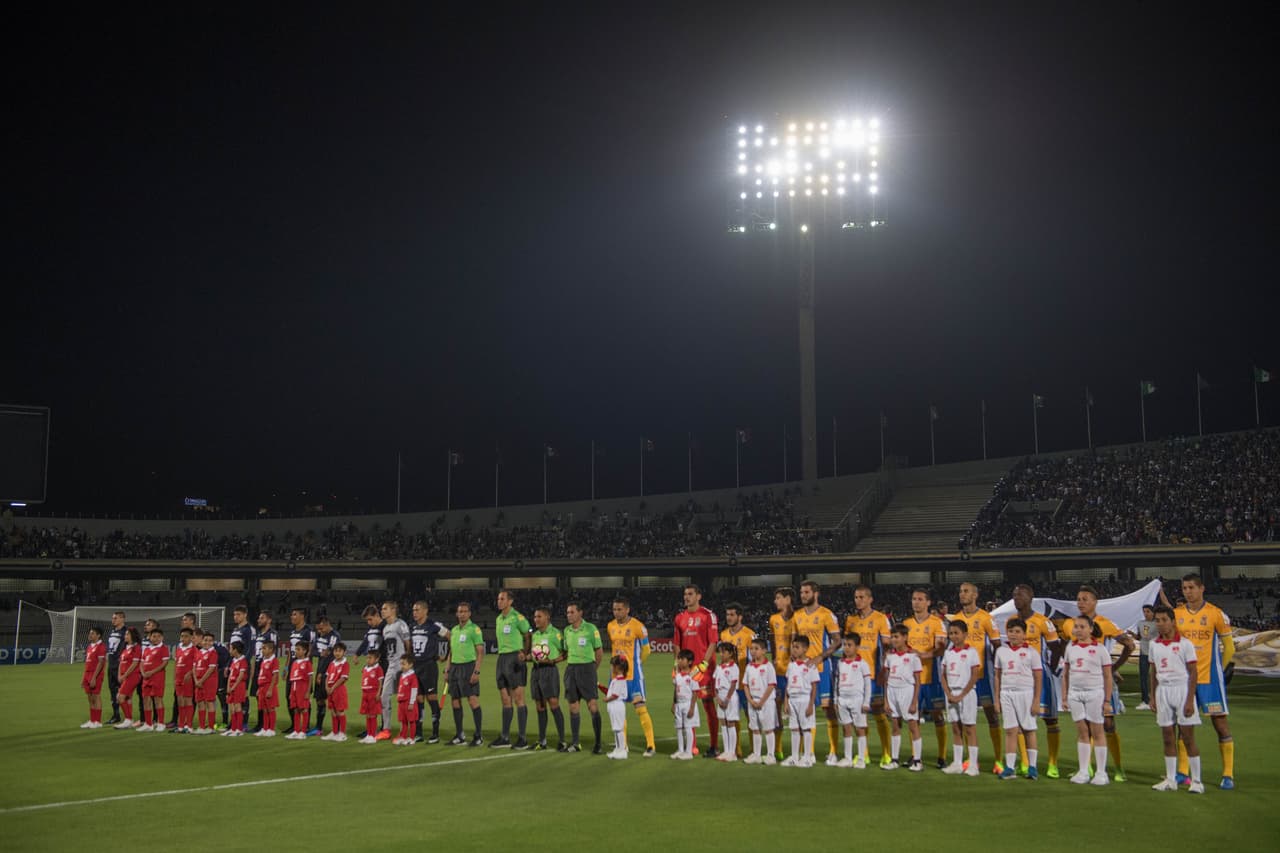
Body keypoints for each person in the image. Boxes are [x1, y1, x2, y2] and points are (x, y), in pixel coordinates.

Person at [1060, 585, 1135, 781]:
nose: (1081, 603)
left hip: (1101, 683)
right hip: (1080, 684)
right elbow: (1068, 651)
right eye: (1078, 599)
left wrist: (1113, 667)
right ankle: (1087, 769)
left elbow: (1129, 645)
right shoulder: (1070, 624)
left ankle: (1117, 768)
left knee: (1107, 724)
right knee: (1084, 726)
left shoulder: (1106, 623)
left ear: (1095, 602)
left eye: (1085, 599)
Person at [1172, 573, 1235, 789]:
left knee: (1220, 724)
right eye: (1184, 588)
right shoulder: (1176, 614)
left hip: (1209, 679)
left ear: (1201, 589)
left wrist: (1222, 670)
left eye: (1191, 587)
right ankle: (1182, 772)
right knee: (1185, 725)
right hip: (1184, 679)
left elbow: (1230, 647)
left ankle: (1228, 774)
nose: (1187, 591)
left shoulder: (1216, 613)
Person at [1149, 604, 1204, 793]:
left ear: (1172, 621)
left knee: (1188, 738)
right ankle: (1170, 779)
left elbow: (1193, 673)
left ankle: (1197, 781)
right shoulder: (1154, 644)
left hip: (1181, 690)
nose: (1161, 624)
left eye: (1164, 620)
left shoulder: (1185, 644)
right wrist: (1152, 696)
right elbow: (1153, 670)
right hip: (1163, 691)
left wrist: (1190, 700)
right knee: (1167, 737)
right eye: (1157, 620)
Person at [1010, 583, 1063, 777]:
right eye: (1015, 595)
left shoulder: (1042, 621)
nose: (1017, 598)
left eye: (1021, 595)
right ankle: (1024, 762)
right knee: (1019, 721)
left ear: (1030, 598)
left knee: (1050, 719)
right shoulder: (1011, 621)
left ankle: (1052, 763)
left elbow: (1056, 647)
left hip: (1039, 675)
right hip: (1018, 677)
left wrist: (1049, 667)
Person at [952, 582, 1004, 772]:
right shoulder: (956, 618)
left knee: (992, 717)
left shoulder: (986, 618)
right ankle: (970, 758)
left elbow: (998, 645)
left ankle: (998, 760)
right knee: (965, 720)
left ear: (975, 595)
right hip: (963, 678)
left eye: (965, 591)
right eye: (960, 591)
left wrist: (1000, 671)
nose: (962, 594)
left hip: (982, 676)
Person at [792, 580, 842, 764]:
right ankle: (809, 753)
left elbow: (837, 640)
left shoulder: (827, 614)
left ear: (815, 593)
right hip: (803, 671)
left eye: (806, 592)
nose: (803, 595)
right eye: (801, 592)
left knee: (828, 710)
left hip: (821, 668)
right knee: (807, 710)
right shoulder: (797, 615)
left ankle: (833, 752)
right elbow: (794, 640)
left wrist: (820, 657)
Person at [844, 584, 894, 767]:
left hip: (873, 673)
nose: (858, 600)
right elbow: (847, 647)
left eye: (862, 597)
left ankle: (886, 753)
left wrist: (884, 670)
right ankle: (862, 754)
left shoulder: (880, 619)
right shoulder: (850, 621)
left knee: (879, 713)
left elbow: (887, 647)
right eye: (856, 597)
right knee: (859, 715)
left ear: (870, 599)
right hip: (854, 676)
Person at [1063, 614, 1112, 785]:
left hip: (1094, 693)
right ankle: (1083, 770)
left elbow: (1107, 676)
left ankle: (1101, 772)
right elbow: (1066, 674)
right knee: (1082, 732)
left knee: (1097, 732)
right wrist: (1064, 696)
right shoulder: (1070, 647)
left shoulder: (1100, 649)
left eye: (1082, 626)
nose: (1078, 630)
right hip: (1075, 694)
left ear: (1091, 629)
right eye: (1076, 626)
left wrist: (1107, 700)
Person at [993, 617, 1043, 781]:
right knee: (1010, 730)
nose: (1013, 635)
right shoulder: (1001, 651)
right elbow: (998, 676)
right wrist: (997, 699)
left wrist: (1036, 700)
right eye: (1010, 631)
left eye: (1017, 632)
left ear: (1024, 634)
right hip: (1006, 693)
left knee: (1029, 730)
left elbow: (1038, 678)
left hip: (1025, 693)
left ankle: (1032, 767)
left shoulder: (1031, 652)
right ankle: (1009, 767)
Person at [902, 589, 948, 768]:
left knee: (937, 716)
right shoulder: (906, 624)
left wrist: (923, 655)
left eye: (920, 599)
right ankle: (915, 755)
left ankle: (942, 756)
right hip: (912, 680)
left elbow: (941, 648)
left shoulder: (937, 623)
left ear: (928, 602)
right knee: (913, 718)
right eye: (914, 599)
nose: (916, 602)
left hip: (932, 677)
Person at [607, 596, 657, 757]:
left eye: (619, 609)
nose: (616, 612)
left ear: (627, 609)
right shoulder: (610, 626)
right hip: (616, 678)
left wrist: (636, 665)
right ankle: (623, 745)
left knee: (640, 708)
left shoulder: (638, 626)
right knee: (618, 711)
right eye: (614, 609)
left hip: (634, 677)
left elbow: (647, 650)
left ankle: (651, 746)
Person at [674, 584, 719, 757]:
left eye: (690, 594)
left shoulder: (708, 615)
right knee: (684, 705)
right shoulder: (679, 618)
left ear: (698, 596)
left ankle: (714, 746)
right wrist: (678, 666)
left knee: (708, 706)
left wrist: (704, 664)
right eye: (685, 594)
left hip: (703, 669)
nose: (687, 597)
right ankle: (689, 747)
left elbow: (713, 642)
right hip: (686, 671)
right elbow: (677, 644)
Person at [940, 620, 982, 777]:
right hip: (951, 694)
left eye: (956, 633)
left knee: (969, 728)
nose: (953, 636)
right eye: (951, 633)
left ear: (965, 634)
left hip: (967, 694)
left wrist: (962, 694)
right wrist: (949, 694)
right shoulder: (948, 653)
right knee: (955, 728)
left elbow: (975, 675)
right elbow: (943, 675)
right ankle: (957, 763)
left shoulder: (971, 652)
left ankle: (973, 764)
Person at [492, 589, 532, 749]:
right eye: (498, 598)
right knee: (505, 699)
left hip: (515, 658)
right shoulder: (498, 619)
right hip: (502, 658)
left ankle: (522, 738)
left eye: (502, 599)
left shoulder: (518, 617)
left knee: (518, 699)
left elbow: (529, 633)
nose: (499, 601)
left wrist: (525, 652)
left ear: (510, 601)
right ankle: (505, 737)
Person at [562, 600, 604, 754]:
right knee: (573, 706)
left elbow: (599, 652)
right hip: (571, 669)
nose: (569, 615)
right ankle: (575, 743)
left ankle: (598, 743)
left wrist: (593, 670)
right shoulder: (566, 631)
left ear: (580, 613)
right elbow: (565, 651)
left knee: (592, 706)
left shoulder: (591, 629)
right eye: (567, 612)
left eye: (572, 612)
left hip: (587, 669)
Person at [883, 624, 923, 771]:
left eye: (896, 637)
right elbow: (886, 680)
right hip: (892, 691)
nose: (893, 640)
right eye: (892, 637)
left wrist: (914, 701)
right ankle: (894, 759)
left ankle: (917, 760)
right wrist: (886, 700)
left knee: (913, 725)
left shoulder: (913, 656)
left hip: (907, 691)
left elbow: (918, 681)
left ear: (905, 637)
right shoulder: (890, 656)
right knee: (895, 726)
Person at [445, 601, 485, 746]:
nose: (461, 614)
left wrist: (476, 671)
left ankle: (478, 736)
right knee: (455, 700)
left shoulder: (474, 629)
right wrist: (447, 669)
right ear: (457, 613)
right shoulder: (454, 630)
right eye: (459, 611)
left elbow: (480, 652)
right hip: (454, 668)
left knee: (472, 700)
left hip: (468, 667)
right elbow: (451, 651)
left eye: (464, 611)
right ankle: (459, 735)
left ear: (469, 613)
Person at [409, 600, 449, 743]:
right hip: (415, 667)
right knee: (418, 699)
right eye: (413, 610)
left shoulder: (434, 625)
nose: (415, 612)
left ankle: (435, 734)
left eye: (417, 610)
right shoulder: (412, 626)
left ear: (425, 611)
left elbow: (450, 636)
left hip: (429, 666)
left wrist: (447, 655)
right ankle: (419, 733)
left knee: (432, 698)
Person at [529, 606, 568, 751]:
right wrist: (525, 657)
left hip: (549, 671)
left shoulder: (555, 634)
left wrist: (552, 661)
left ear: (547, 618)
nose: (536, 620)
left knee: (553, 704)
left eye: (539, 616)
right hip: (536, 671)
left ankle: (562, 740)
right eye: (534, 617)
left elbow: (565, 653)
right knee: (539, 706)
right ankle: (542, 741)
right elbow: (534, 654)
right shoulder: (535, 635)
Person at [835, 632, 873, 768]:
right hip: (843, 699)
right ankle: (847, 757)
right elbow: (837, 681)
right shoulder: (840, 663)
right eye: (845, 645)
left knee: (860, 728)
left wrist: (866, 701)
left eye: (849, 645)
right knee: (846, 728)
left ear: (857, 646)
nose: (846, 648)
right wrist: (836, 699)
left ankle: (862, 758)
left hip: (857, 699)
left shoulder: (862, 664)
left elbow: (868, 684)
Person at [375, 601, 411, 742]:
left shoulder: (400, 624)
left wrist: (408, 663)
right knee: (384, 697)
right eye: (382, 609)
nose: (382, 611)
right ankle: (386, 729)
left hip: (402, 666)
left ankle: (406, 730)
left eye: (385, 609)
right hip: (391, 666)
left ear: (393, 610)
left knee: (404, 699)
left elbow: (408, 643)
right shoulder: (385, 629)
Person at [782, 635, 820, 767]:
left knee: (806, 729)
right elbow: (788, 684)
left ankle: (807, 757)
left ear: (805, 649)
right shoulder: (791, 665)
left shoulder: (810, 665)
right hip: (792, 699)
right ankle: (794, 757)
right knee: (794, 729)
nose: (794, 650)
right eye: (793, 647)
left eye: (797, 647)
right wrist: (786, 702)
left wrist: (811, 704)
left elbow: (814, 685)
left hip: (804, 699)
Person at [768, 587, 795, 760]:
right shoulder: (773, 619)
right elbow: (772, 641)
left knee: (795, 711)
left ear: (788, 599)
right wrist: (774, 660)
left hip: (793, 671)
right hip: (778, 670)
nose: (775, 601)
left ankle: (800, 752)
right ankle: (777, 749)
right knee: (776, 710)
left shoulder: (798, 618)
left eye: (778, 598)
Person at [281, 609, 317, 736]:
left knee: (305, 700)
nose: (292, 616)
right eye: (291, 614)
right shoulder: (292, 632)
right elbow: (290, 653)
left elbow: (310, 650)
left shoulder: (309, 631)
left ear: (302, 616)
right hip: (292, 668)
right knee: (290, 697)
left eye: (294, 614)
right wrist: (286, 669)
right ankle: (294, 726)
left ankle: (305, 727)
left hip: (303, 670)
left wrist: (306, 666)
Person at [743, 637, 778, 765]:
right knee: (755, 729)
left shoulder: (768, 667)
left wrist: (762, 701)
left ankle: (770, 755)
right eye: (751, 648)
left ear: (764, 650)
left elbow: (771, 685)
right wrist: (750, 700)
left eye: (756, 649)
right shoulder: (749, 667)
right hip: (752, 701)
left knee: (768, 728)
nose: (753, 651)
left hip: (766, 702)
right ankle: (756, 754)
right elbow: (745, 685)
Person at [313, 615, 341, 737]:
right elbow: (314, 651)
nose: (320, 631)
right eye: (318, 629)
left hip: (330, 672)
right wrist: (321, 653)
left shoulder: (334, 636)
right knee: (319, 700)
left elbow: (330, 655)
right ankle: (318, 728)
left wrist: (322, 673)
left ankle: (337, 730)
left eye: (321, 628)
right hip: (320, 670)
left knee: (333, 702)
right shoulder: (320, 636)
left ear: (326, 624)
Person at [712, 641, 741, 762]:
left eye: (724, 651)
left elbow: (733, 684)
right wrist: (717, 698)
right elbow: (714, 683)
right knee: (723, 724)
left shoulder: (734, 667)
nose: (721, 654)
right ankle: (726, 750)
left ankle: (732, 752)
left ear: (730, 654)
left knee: (730, 723)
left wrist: (727, 699)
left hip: (730, 697)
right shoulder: (719, 667)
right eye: (720, 651)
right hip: (720, 696)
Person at [250, 611, 278, 733]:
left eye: (262, 618)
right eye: (259, 618)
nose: (259, 620)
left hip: (266, 667)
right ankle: (262, 724)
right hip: (258, 666)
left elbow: (273, 650)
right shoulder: (258, 634)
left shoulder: (272, 634)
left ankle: (265, 726)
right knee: (259, 697)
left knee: (266, 700)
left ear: (269, 620)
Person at [671, 649, 700, 760]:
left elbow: (695, 692)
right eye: (679, 659)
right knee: (678, 727)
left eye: (682, 659)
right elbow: (675, 689)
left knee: (688, 727)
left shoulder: (693, 676)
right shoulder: (677, 675)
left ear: (689, 662)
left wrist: (692, 708)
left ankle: (688, 752)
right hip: (679, 704)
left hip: (688, 704)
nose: (679, 661)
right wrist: (674, 703)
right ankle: (680, 750)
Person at [139, 627, 169, 732]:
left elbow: (164, 663)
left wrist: (152, 672)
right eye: (153, 636)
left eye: (158, 636)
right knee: (146, 700)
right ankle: (148, 724)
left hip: (157, 678)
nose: (155, 638)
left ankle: (161, 723)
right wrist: (143, 673)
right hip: (146, 678)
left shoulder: (163, 648)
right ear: (150, 637)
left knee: (157, 700)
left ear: (162, 638)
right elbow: (142, 662)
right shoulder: (146, 649)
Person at [114, 627, 142, 729]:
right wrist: (119, 675)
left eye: (127, 634)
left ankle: (128, 719)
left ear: (132, 636)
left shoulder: (137, 648)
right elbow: (121, 662)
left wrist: (124, 675)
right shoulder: (126, 648)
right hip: (124, 677)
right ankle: (129, 720)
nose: (125, 636)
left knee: (119, 697)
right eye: (125, 634)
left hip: (133, 676)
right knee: (128, 698)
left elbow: (134, 664)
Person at [322, 641, 350, 741]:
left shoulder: (345, 664)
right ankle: (334, 732)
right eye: (335, 651)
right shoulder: (332, 664)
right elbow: (327, 676)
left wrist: (332, 688)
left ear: (344, 652)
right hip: (330, 690)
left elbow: (343, 678)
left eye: (340, 651)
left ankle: (342, 733)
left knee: (340, 711)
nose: (337, 653)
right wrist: (326, 687)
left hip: (338, 690)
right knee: (333, 712)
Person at [172, 627, 199, 734]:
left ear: (191, 638)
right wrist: (174, 678)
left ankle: (189, 725)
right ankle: (181, 725)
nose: (183, 638)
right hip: (178, 679)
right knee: (180, 702)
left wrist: (190, 674)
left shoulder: (194, 650)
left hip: (187, 679)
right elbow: (176, 664)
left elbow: (196, 665)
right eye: (182, 636)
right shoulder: (179, 649)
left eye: (186, 636)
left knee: (188, 701)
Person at [193, 630, 220, 734]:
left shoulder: (213, 653)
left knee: (209, 702)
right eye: (205, 640)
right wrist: (196, 680)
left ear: (213, 642)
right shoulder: (199, 652)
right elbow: (194, 667)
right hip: (198, 681)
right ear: (202, 641)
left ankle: (211, 728)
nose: (207, 642)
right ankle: (201, 726)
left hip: (209, 681)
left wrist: (201, 680)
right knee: (200, 703)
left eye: (210, 640)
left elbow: (211, 669)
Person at [80, 626, 107, 729]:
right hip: (88, 674)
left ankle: (98, 721)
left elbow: (101, 663)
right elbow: (87, 664)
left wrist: (94, 677)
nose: (90, 635)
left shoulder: (101, 647)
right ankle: (92, 720)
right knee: (90, 698)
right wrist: (84, 678)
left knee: (96, 696)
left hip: (96, 674)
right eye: (90, 633)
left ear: (98, 635)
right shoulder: (90, 646)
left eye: (92, 633)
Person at [604, 655, 630, 759]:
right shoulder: (616, 680)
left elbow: (615, 695)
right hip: (614, 706)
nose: (611, 668)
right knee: (616, 728)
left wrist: (607, 699)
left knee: (618, 729)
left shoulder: (619, 680)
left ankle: (622, 750)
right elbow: (610, 692)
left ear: (617, 667)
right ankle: (617, 748)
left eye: (612, 666)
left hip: (617, 705)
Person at [286, 641, 314, 740]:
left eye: (298, 649)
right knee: (296, 709)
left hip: (303, 687)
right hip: (294, 687)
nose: (296, 651)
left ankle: (303, 731)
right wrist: (290, 692)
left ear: (305, 651)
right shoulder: (294, 662)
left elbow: (310, 677)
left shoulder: (307, 662)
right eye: (296, 649)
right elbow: (293, 678)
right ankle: (296, 730)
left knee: (304, 709)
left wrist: (308, 691)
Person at [1133, 605, 1157, 710]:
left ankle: (1157, 698)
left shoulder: (1157, 623)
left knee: (1157, 677)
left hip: (1155, 652)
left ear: (1153, 612)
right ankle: (1145, 700)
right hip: (1143, 652)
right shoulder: (1140, 623)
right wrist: (1134, 636)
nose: (1146, 613)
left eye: (1148, 611)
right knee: (1143, 677)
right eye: (1144, 611)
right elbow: (1140, 636)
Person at [254, 639, 280, 737]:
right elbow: (261, 675)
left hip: (269, 687)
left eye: (264, 648)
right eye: (262, 648)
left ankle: (271, 729)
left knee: (270, 709)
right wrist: (258, 688)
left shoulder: (274, 660)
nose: (262, 650)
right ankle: (265, 728)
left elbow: (275, 675)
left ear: (271, 649)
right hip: (262, 687)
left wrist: (270, 689)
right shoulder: (264, 661)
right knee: (264, 709)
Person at [105, 610, 127, 724]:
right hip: (111, 665)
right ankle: (116, 715)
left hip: (121, 667)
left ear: (122, 619)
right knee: (113, 692)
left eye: (116, 618)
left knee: (124, 692)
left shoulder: (126, 632)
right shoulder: (112, 631)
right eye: (113, 618)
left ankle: (128, 717)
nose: (113, 620)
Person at [358, 651, 385, 744]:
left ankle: (373, 736)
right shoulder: (365, 668)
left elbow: (380, 682)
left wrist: (378, 693)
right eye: (367, 658)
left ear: (376, 659)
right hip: (365, 693)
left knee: (373, 715)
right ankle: (368, 735)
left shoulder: (378, 669)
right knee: (368, 715)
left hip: (373, 693)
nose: (368, 660)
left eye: (370, 658)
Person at [223, 640, 249, 737]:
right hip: (232, 686)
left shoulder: (243, 661)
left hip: (239, 686)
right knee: (232, 708)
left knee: (237, 707)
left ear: (236, 650)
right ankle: (233, 729)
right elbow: (230, 675)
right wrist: (228, 687)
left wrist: (233, 687)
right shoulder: (233, 660)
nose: (229, 650)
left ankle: (239, 729)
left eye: (230, 648)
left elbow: (241, 676)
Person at [395, 653, 420, 746]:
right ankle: (403, 737)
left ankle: (412, 738)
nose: (402, 666)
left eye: (404, 664)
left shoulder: (412, 676)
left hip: (408, 702)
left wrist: (411, 702)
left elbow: (414, 690)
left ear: (410, 664)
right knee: (403, 721)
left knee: (411, 721)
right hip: (401, 702)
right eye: (401, 664)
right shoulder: (402, 675)